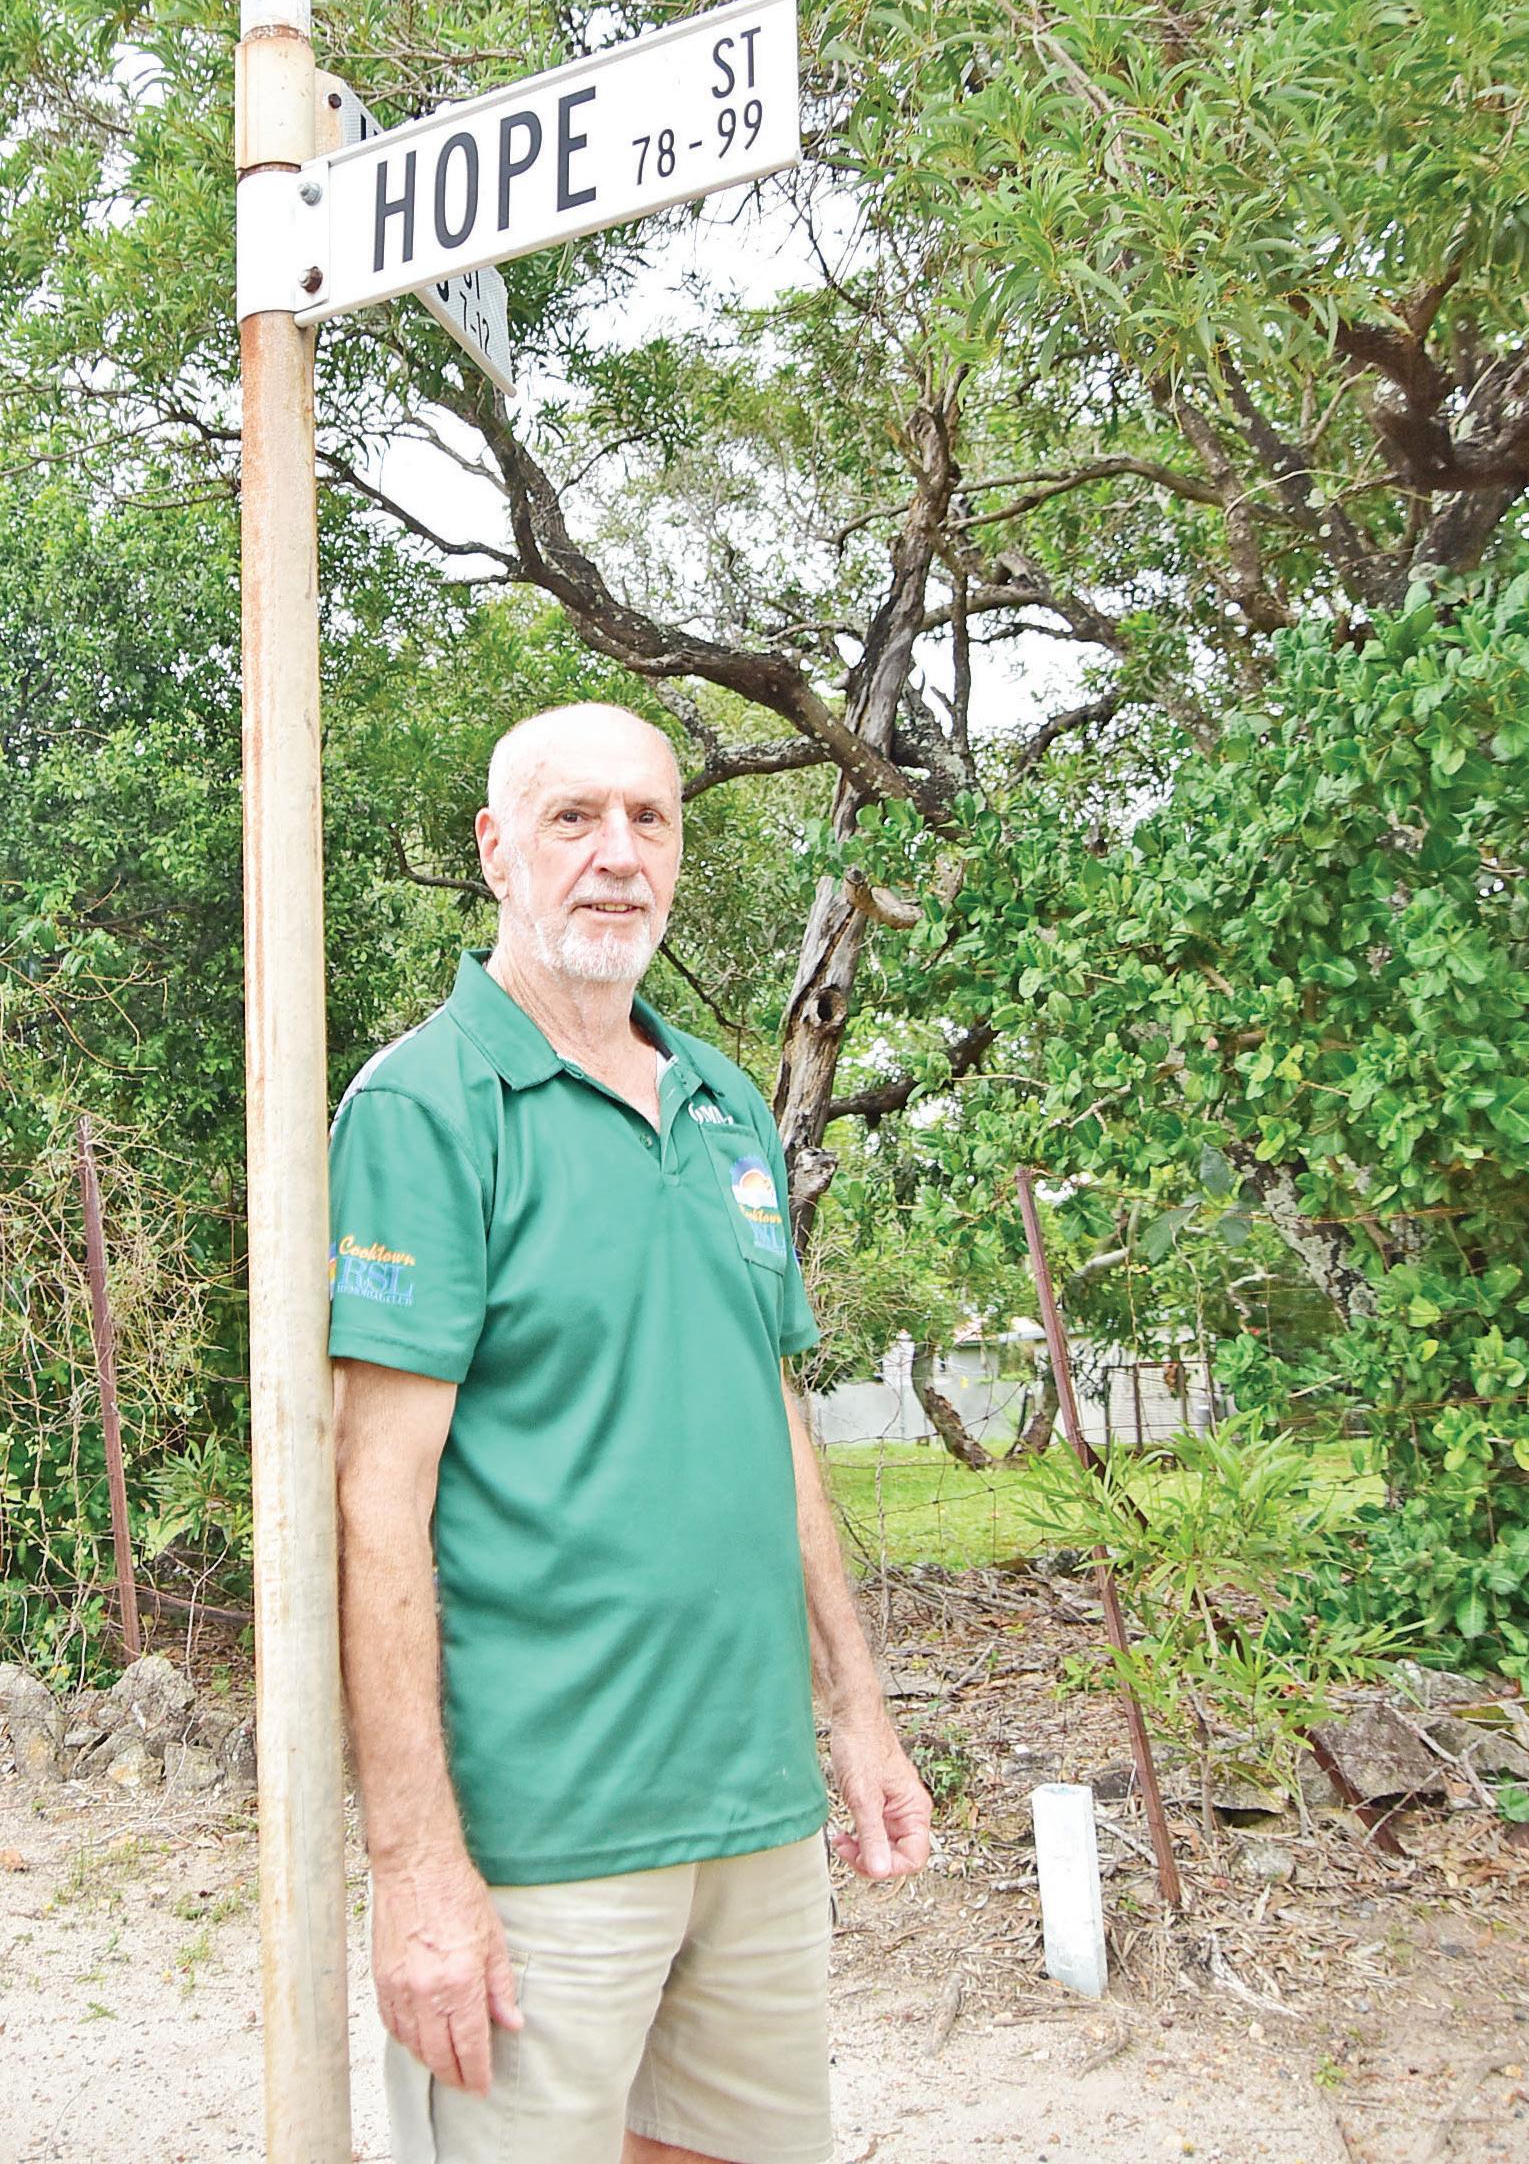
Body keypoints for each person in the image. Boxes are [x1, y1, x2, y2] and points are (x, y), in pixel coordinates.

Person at [331, 701, 932, 2164]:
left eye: (648, 819)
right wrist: (415, 1864)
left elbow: (772, 1413)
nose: (617, 855)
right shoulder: (425, 1107)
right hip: (543, 1832)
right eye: (573, 818)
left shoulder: (724, 1101)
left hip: (755, 1810)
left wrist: (856, 1708)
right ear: (496, 850)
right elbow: (373, 1503)